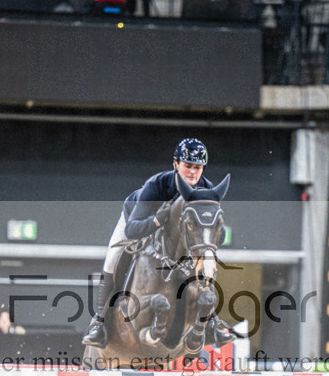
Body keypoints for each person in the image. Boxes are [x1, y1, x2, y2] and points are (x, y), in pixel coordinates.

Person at [82, 138, 235, 348]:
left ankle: (211, 323)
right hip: (137, 221)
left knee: (204, 262)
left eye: (198, 167)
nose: (193, 172)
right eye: (188, 166)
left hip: (174, 237)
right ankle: (99, 324)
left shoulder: (205, 190)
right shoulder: (157, 185)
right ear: (176, 164)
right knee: (113, 258)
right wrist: (156, 221)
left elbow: (210, 232)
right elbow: (132, 229)